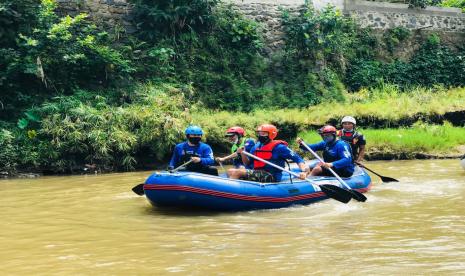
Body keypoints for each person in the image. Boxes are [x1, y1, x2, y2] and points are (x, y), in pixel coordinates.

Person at [228, 124, 309, 182]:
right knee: (230, 171)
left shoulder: (280, 147)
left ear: (271, 134)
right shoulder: (256, 146)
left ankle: (230, 195)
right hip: (257, 173)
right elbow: (247, 163)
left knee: (237, 172)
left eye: (263, 134)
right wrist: (243, 153)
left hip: (271, 176)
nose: (260, 135)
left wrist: (304, 171)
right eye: (259, 133)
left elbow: (298, 159)